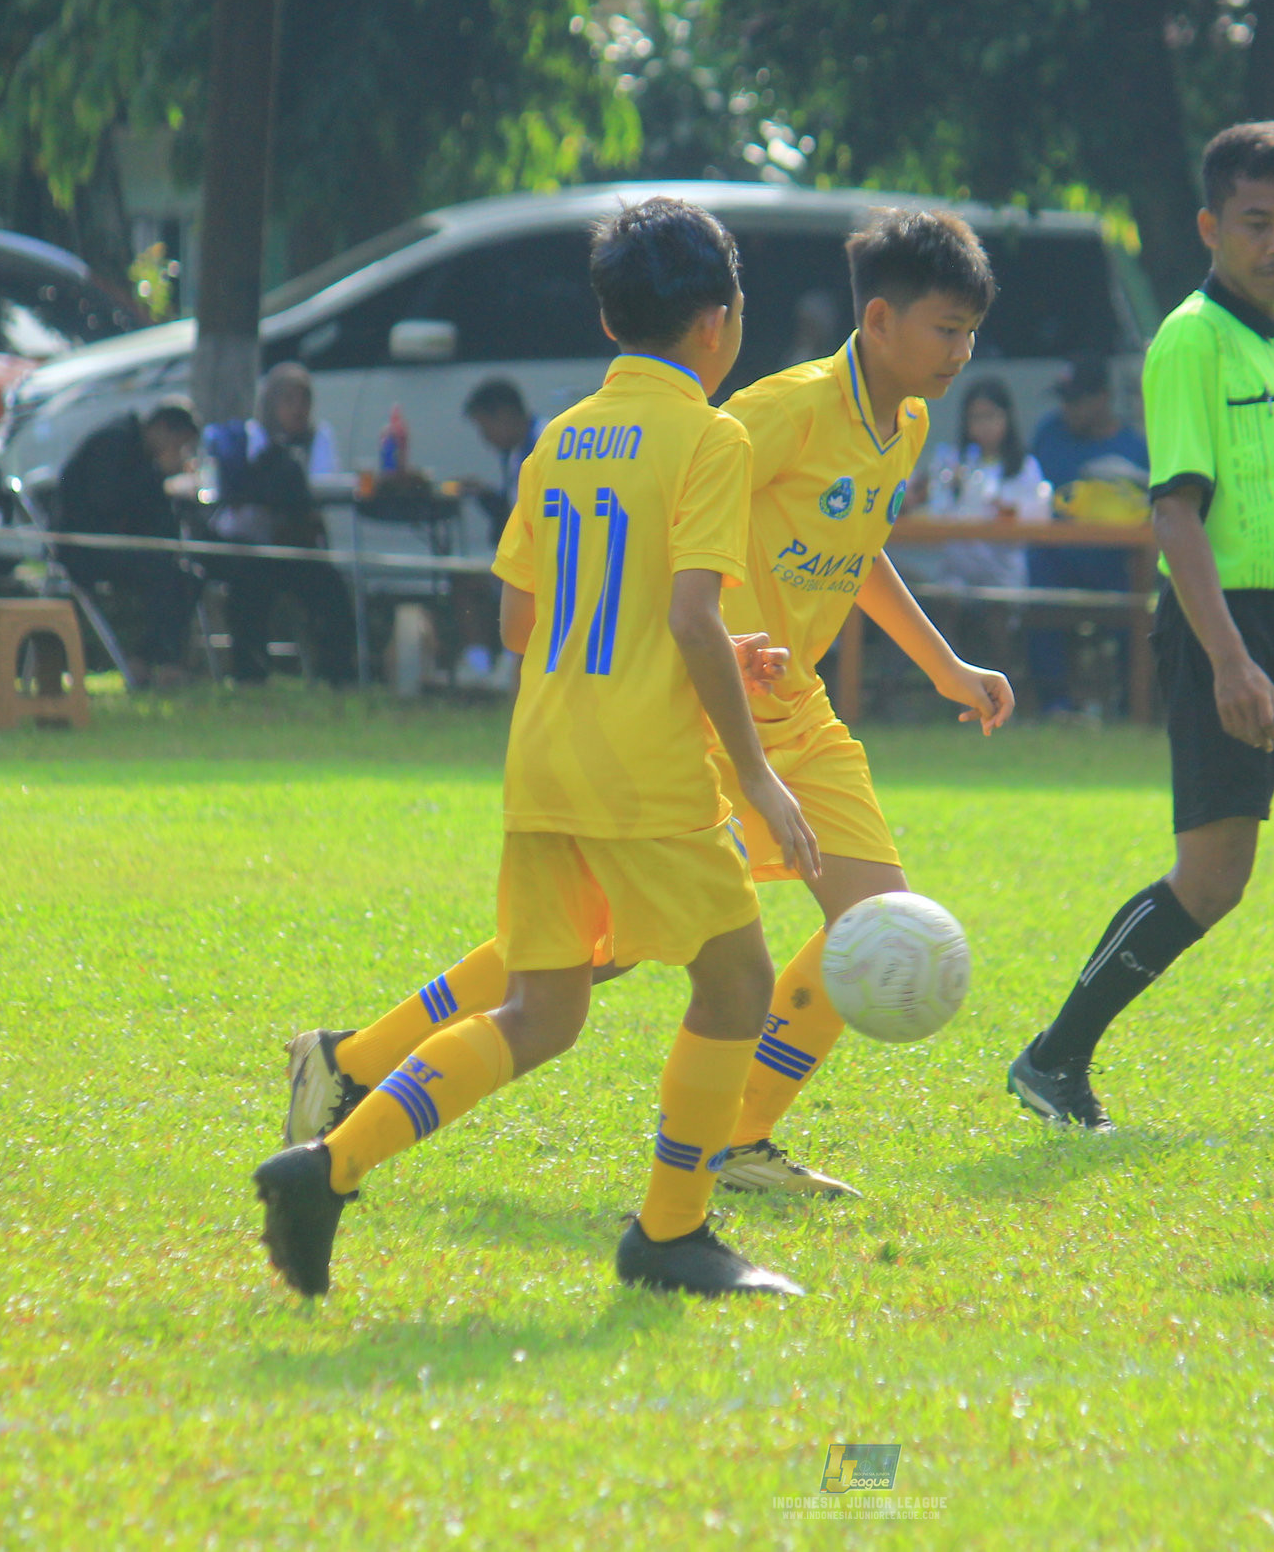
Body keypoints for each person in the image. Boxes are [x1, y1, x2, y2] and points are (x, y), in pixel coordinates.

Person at [278, 208, 1014, 1202]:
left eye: (971, 331)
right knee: (596, 953)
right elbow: (670, 521)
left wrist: (943, 663)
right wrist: (702, 653)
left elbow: (856, 540)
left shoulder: (907, 424)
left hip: (791, 708)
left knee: (874, 915)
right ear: (878, 320)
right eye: (946, 328)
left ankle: (736, 1138)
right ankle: (355, 1062)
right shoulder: (771, 412)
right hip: (703, 712)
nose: (961, 351)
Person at [253, 196, 820, 1299]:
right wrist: (756, 773)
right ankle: (670, 1233)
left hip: (545, 761)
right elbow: (689, 615)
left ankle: (329, 1165)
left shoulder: (560, 439)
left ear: (610, 321)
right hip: (643, 770)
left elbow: (523, 622)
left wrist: (699, 643)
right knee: (738, 981)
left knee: (542, 1010)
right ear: (718, 322)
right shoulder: (712, 434)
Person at [1007, 123, 1274, 1133]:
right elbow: (1174, 516)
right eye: (1256, 222)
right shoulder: (1188, 339)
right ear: (1211, 226)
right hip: (1225, 624)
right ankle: (1052, 1058)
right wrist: (1230, 661)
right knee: (1212, 879)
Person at [212, 362, 357, 688]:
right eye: (288, 400)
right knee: (248, 588)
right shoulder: (248, 438)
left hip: (297, 544)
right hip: (252, 547)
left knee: (330, 589)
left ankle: (337, 672)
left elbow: (322, 485)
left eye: (304, 401)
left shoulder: (317, 438)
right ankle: (249, 673)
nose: (297, 409)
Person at [1027, 358, 1150, 716]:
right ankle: (1055, 704)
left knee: (1139, 596)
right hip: (1058, 560)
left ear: (1103, 398)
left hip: (1115, 565)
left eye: (1076, 400)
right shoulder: (1049, 433)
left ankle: (1131, 705)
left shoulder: (1133, 448)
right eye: (1064, 400)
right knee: (1035, 581)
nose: (1068, 409)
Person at [55, 401, 202, 687]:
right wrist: (159, 476)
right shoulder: (114, 443)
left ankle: (150, 659)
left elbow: (156, 519)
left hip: (122, 546)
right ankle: (156, 662)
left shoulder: (142, 456)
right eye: (179, 445)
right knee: (164, 573)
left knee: (188, 574)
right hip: (86, 547)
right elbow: (108, 501)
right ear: (162, 429)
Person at [898, 376, 1050, 591]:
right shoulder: (952, 462)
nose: (984, 426)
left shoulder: (1025, 466)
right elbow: (936, 509)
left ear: (1007, 418)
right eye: (976, 417)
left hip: (1004, 571)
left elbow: (1040, 517)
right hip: (956, 572)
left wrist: (1007, 509)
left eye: (991, 416)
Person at [453, 378, 540, 689]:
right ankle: (481, 664)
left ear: (504, 415)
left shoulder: (541, 445)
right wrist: (487, 495)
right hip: (528, 556)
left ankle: (505, 660)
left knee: (472, 582)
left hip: (541, 561)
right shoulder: (516, 452)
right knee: (464, 578)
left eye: (485, 427)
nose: (485, 439)